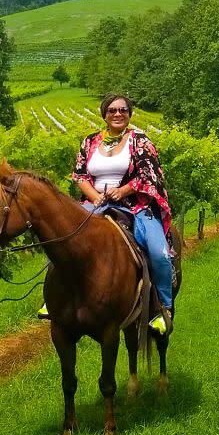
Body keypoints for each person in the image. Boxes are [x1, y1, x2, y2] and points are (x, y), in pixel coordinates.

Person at [40, 93, 176, 334]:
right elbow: (80, 175)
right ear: (104, 114)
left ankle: (164, 309)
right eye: (112, 110)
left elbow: (150, 175)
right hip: (94, 202)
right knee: (59, 240)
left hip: (134, 205)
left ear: (129, 114)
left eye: (123, 110)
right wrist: (95, 197)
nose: (117, 114)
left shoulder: (140, 141)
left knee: (158, 252)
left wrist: (122, 191)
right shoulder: (90, 142)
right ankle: (53, 300)